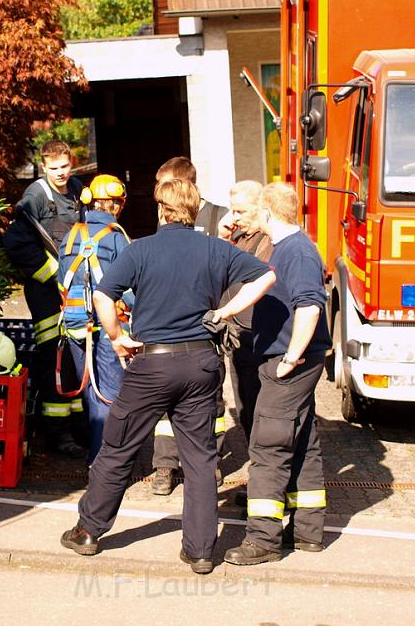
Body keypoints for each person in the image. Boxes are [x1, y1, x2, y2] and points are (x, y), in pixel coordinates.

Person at [60, 178, 275, 575]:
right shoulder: (216, 249)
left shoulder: (140, 249)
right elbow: (266, 277)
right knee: (199, 458)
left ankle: (88, 531)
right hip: (200, 364)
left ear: (160, 209)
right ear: (195, 210)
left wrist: (116, 337)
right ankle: (199, 551)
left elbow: (104, 295)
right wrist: (225, 314)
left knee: (119, 447)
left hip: (152, 366)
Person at [224, 181, 332, 566]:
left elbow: (309, 307)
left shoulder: (297, 252)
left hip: (288, 362)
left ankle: (263, 540)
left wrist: (290, 357)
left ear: (268, 214)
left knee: (268, 445)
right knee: (302, 440)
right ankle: (307, 533)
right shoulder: (288, 248)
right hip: (289, 358)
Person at [150, 156, 228, 496]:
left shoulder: (220, 217)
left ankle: (208, 464)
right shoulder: (165, 219)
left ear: (186, 187)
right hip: (173, 327)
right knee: (167, 403)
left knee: (212, 404)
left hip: (209, 328)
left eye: (164, 190)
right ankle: (165, 467)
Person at [3, 140, 85, 458]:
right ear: (43, 166)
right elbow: (16, 243)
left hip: (76, 289)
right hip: (47, 292)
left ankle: (80, 426)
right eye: (54, 168)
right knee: (55, 357)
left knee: (78, 354)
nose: (60, 173)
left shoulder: (79, 190)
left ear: (71, 163)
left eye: (64, 166)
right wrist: (53, 274)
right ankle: (56, 433)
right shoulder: (36, 196)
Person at [58, 174, 132, 466]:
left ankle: (97, 457)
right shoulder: (117, 237)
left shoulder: (71, 235)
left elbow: (60, 279)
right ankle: (104, 465)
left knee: (90, 392)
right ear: (116, 205)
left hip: (75, 326)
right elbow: (129, 287)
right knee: (109, 395)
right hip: (106, 327)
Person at [217, 181, 274, 443]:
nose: (234, 218)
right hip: (239, 331)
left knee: (259, 401)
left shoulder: (270, 240)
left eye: (240, 212)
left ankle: (264, 454)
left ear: (260, 208)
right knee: (245, 401)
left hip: (260, 335)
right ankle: (255, 447)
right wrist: (223, 239)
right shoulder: (239, 236)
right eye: (233, 211)